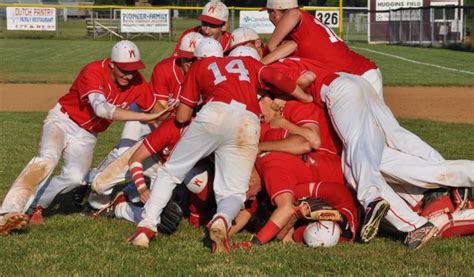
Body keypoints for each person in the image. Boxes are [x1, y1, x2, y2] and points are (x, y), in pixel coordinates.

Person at [127, 38, 314, 252]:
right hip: (247, 121)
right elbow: (278, 77)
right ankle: (222, 219)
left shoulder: (200, 65)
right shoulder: (249, 64)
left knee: (170, 172)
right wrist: (304, 97)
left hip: (215, 113)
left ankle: (146, 228)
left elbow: (181, 117)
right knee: (234, 192)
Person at [0, 41, 165, 235]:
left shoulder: (137, 82)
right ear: (112, 64)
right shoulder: (94, 71)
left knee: (76, 178)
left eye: (133, 70)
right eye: (124, 70)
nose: (129, 75)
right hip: (63, 121)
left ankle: (35, 205)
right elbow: (101, 109)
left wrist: (173, 127)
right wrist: (145, 117)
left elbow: (158, 113)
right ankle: (8, 211)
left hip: (87, 134)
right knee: (47, 159)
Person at [85, 32, 205, 211]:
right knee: (126, 151)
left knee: (159, 171)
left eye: (196, 60)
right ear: (179, 57)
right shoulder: (165, 69)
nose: (192, 63)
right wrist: (166, 141)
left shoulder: (205, 75)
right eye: (187, 59)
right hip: (145, 113)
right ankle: (91, 182)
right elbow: (157, 112)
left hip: (171, 124)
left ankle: (128, 194)